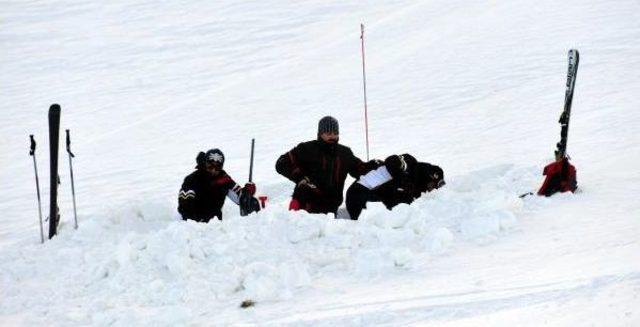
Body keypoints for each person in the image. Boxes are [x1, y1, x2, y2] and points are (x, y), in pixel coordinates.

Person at [275, 116, 375, 215]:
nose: (332, 136)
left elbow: (360, 169)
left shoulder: (344, 154)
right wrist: (299, 177)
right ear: (320, 133)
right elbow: (281, 162)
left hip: (330, 209)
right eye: (328, 133)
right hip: (305, 207)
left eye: (335, 133)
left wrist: (374, 165)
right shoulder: (307, 149)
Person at [345, 153, 445, 220]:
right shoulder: (411, 165)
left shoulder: (415, 188)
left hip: (365, 200)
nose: (430, 190)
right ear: (430, 176)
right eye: (432, 186)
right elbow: (391, 160)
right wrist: (403, 181)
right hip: (358, 195)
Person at [178, 148, 259, 222]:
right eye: (210, 166)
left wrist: (247, 192)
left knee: (253, 202)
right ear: (205, 163)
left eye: (217, 167)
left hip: (216, 227)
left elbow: (241, 198)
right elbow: (184, 208)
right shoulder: (192, 179)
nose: (213, 170)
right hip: (192, 226)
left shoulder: (223, 179)